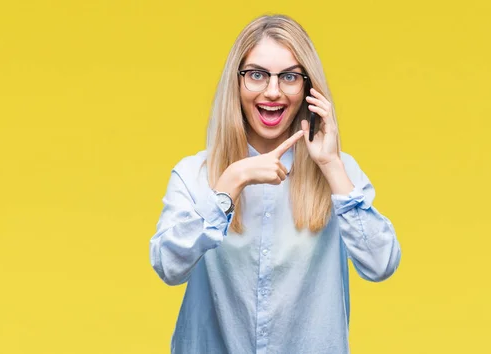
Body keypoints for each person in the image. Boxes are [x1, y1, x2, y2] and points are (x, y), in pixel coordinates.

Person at [149, 14, 401, 354]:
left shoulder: (339, 173)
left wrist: (330, 164)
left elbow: (381, 264)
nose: (272, 91)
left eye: (289, 76)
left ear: (308, 88)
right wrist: (229, 184)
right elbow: (168, 267)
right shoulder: (195, 174)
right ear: (236, 84)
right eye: (256, 75)